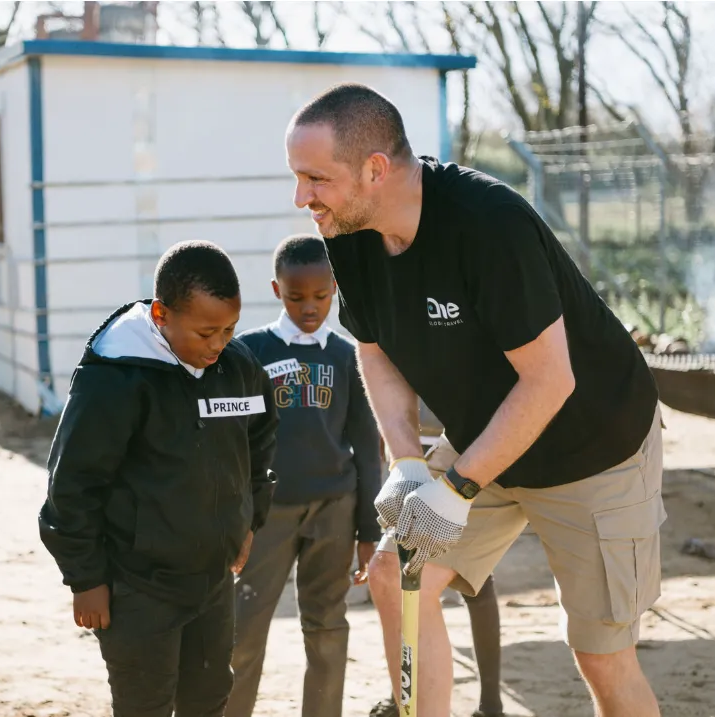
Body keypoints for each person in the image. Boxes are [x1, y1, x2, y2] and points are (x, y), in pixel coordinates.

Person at [285, 83, 664, 717]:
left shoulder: (488, 224)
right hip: (492, 434)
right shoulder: (348, 229)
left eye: (315, 178)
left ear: (375, 170)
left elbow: (550, 382)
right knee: (395, 576)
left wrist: (456, 488)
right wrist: (408, 465)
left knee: (600, 655)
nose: (302, 198)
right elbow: (373, 350)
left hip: (592, 445)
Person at [38, 240, 279, 717]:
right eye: (207, 331)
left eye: (229, 329)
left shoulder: (237, 366)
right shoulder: (114, 381)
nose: (218, 344)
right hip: (137, 587)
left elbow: (261, 440)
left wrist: (250, 518)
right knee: (145, 705)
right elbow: (72, 485)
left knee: (208, 700)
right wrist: (85, 579)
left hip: (211, 581)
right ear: (161, 316)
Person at [225, 234, 382, 717]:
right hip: (266, 516)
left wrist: (369, 529)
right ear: (277, 291)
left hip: (333, 510)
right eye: (296, 297)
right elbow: (233, 446)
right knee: (243, 631)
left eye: (320, 295)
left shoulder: (349, 356)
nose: (309, 307)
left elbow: (366, 447)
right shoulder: (248, 352)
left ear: (335, 287)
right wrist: (235, 521)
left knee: (328, 630)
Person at [368, 403, 505, 717]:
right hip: (417, 471)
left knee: (478, 587)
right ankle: (400, 696)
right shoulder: (396, 376)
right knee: (399, 578)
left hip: (472, 461)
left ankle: (490, 702)